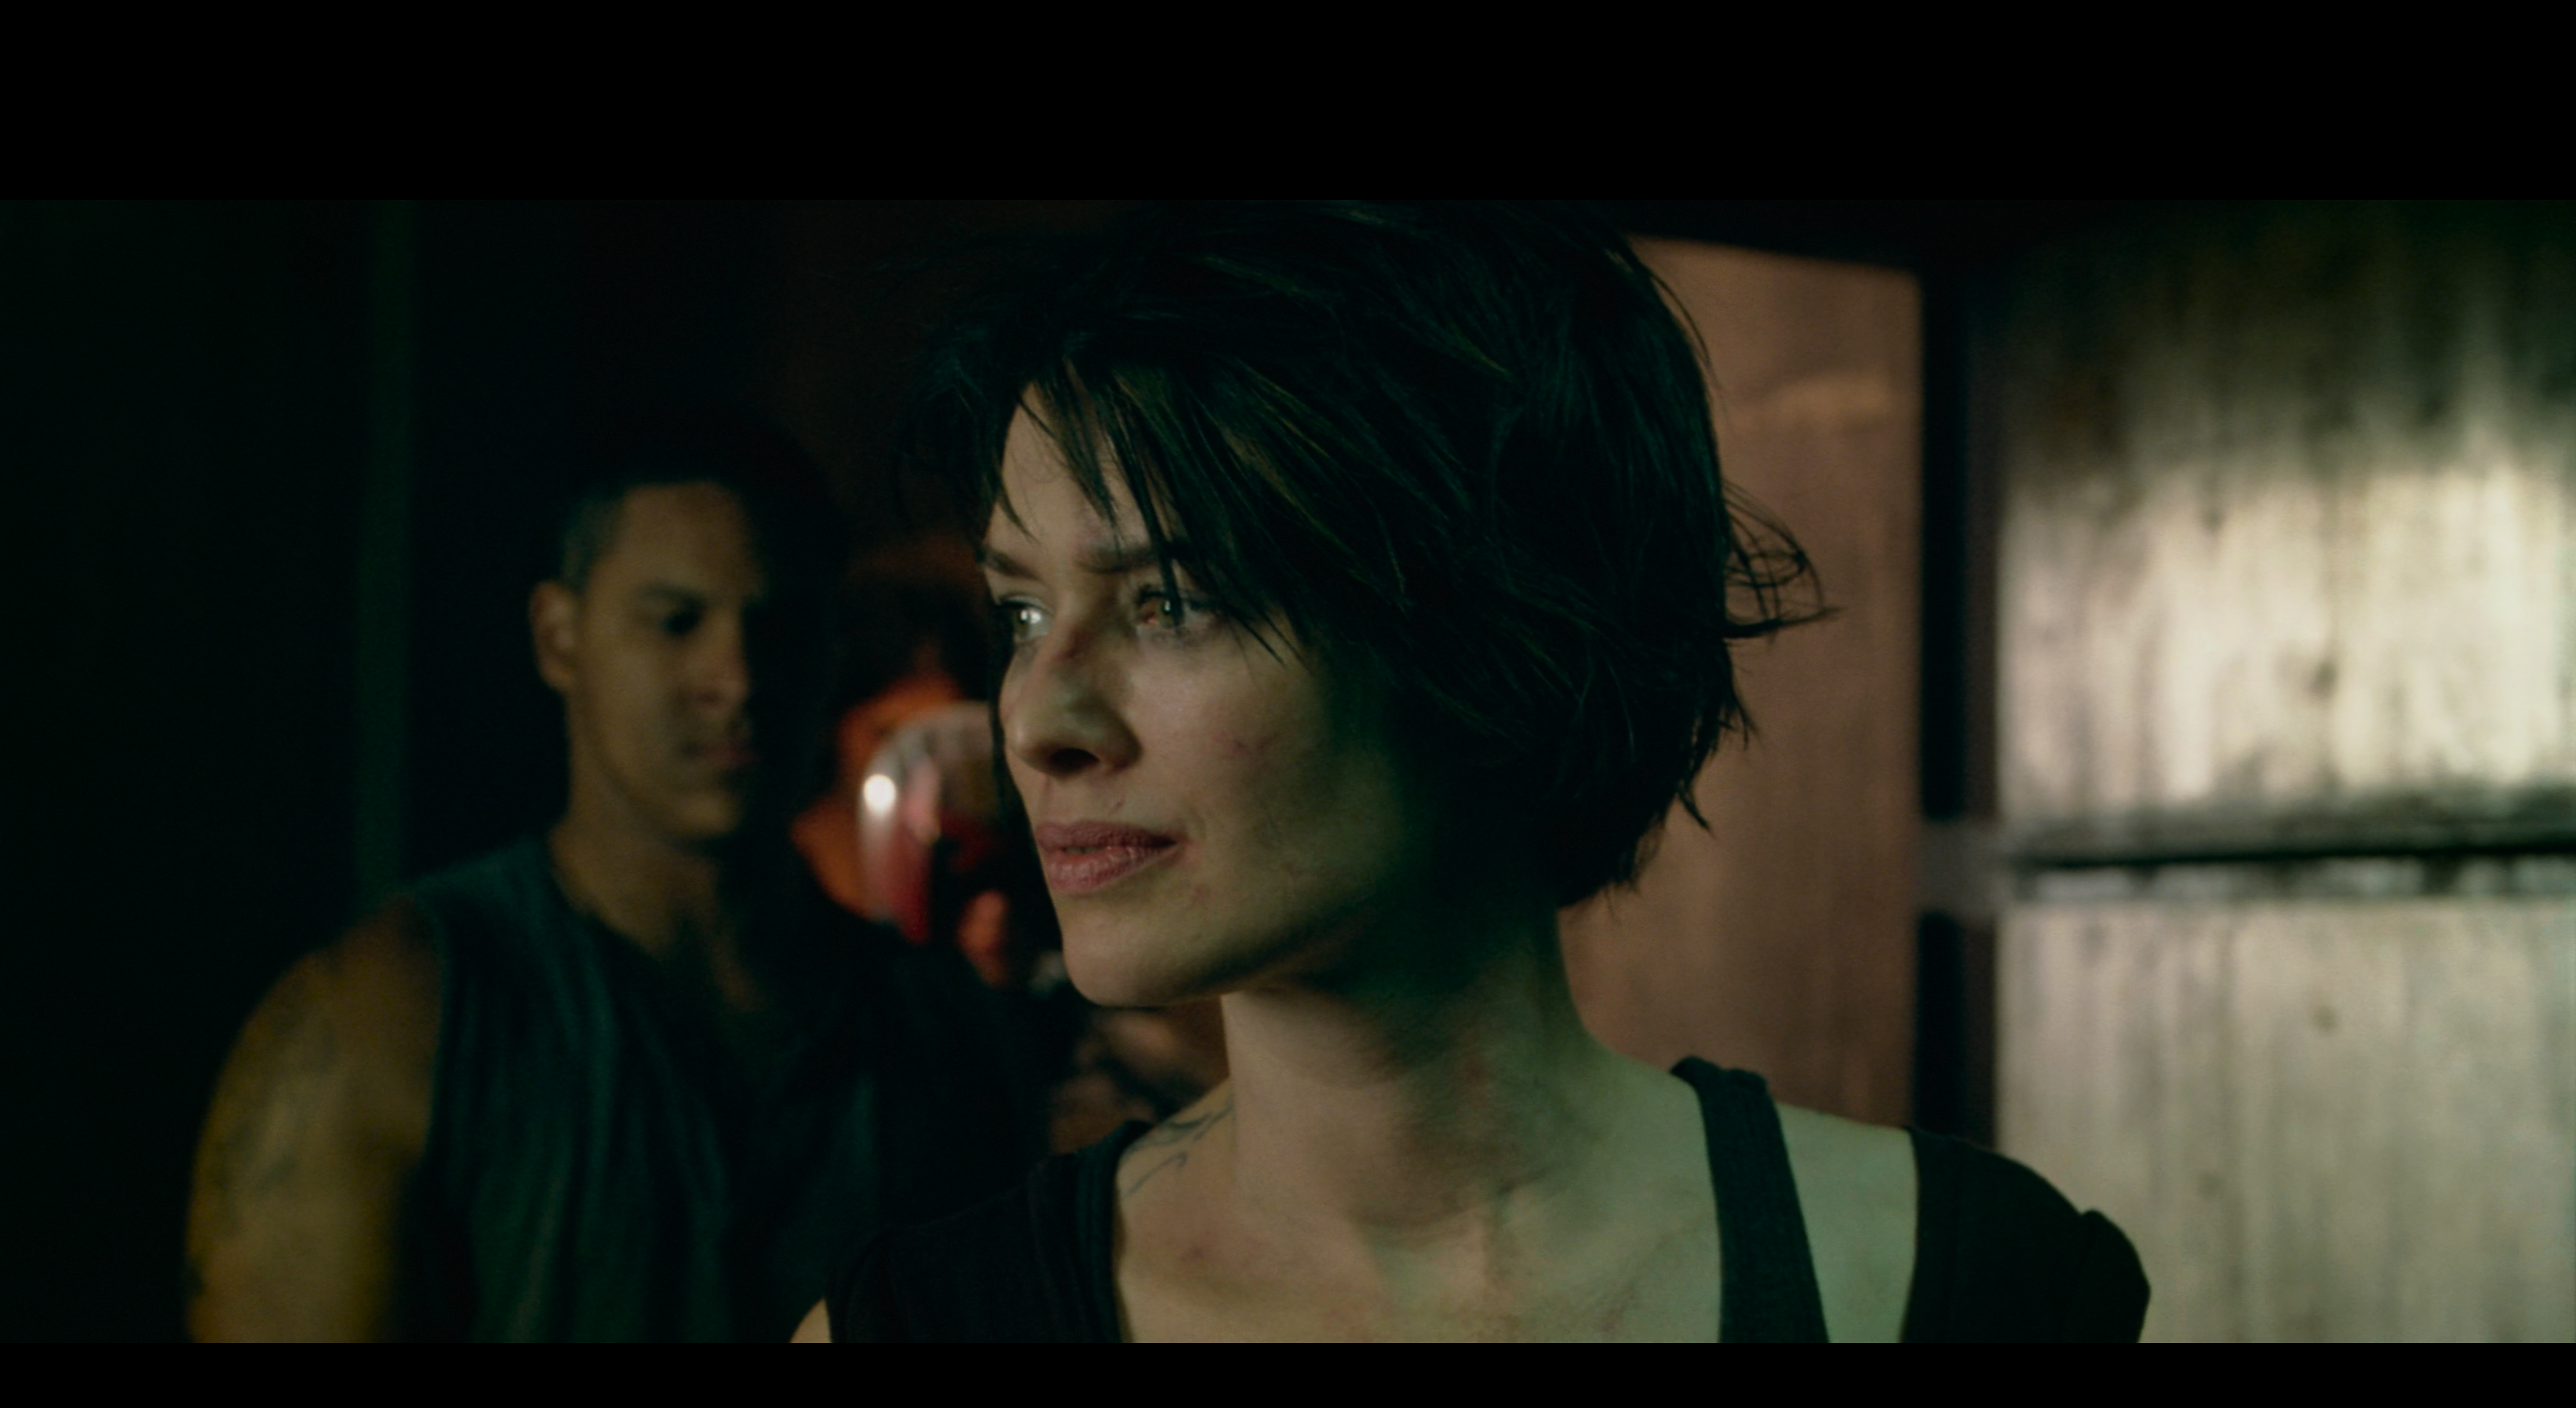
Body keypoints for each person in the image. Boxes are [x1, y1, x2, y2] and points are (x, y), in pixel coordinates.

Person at [803, 203, 2148, 1342]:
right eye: (1024, 612)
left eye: (1173, 601)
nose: (1038, 718)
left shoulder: (1961, 1286)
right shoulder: (920, 1324)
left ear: (1496, 637)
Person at [187, 409, 1040, 1342]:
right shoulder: (390, 1018)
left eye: (781, 625)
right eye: (676, 622)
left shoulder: (943, 1031)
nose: (736, 679)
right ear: (560, 636)